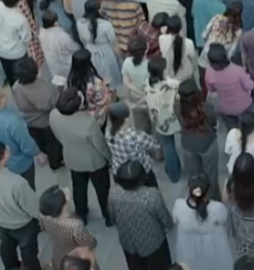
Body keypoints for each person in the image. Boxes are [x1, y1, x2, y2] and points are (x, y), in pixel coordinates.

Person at [0, 142, 43, 270]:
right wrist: (43, 218)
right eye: (6, 149)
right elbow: (34, 208)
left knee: (7, 246)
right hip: (21, 224)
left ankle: (11, 267)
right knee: (28, 251)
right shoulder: (17, 183)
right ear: (3, 157)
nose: (8, 148)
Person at [48, 88, 113, 226]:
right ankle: (108, 216)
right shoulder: (88, 122)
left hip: (72, 158)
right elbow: (100, 145)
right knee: (103, 190)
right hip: (94, 162)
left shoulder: (53, 115)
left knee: (78, 188)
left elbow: (57, 136)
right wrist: (110, 158)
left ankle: (81, 214)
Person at [108, 161, 173, 270]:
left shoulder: (114, 193)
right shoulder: (151, 195)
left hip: (129, 242)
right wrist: (170, 226)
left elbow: (113, 217)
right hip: (153, 243)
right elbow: (164, 219)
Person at [172, 172, 235, 270]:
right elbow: (224, 218)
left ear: (189, 190)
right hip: (214, 250)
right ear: (209, 191)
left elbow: (175, 220)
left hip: (188, 251)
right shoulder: (217, 208)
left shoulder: (179, 206)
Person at [177, 80, 221, 199]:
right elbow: (214, 122)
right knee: (211, 177)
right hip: (207, 143)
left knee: (194, 177)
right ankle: (214, 200)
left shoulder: (177, 108)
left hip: (188, 144)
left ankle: (197, 199)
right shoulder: (207, 107)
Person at [38, 186, 97, 270]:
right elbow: (89, 243)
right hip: (77, 260)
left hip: (58, 255)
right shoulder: (75, 226)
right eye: (62, 192)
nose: (66, 189)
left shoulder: (45, 218)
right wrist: (91, 237)